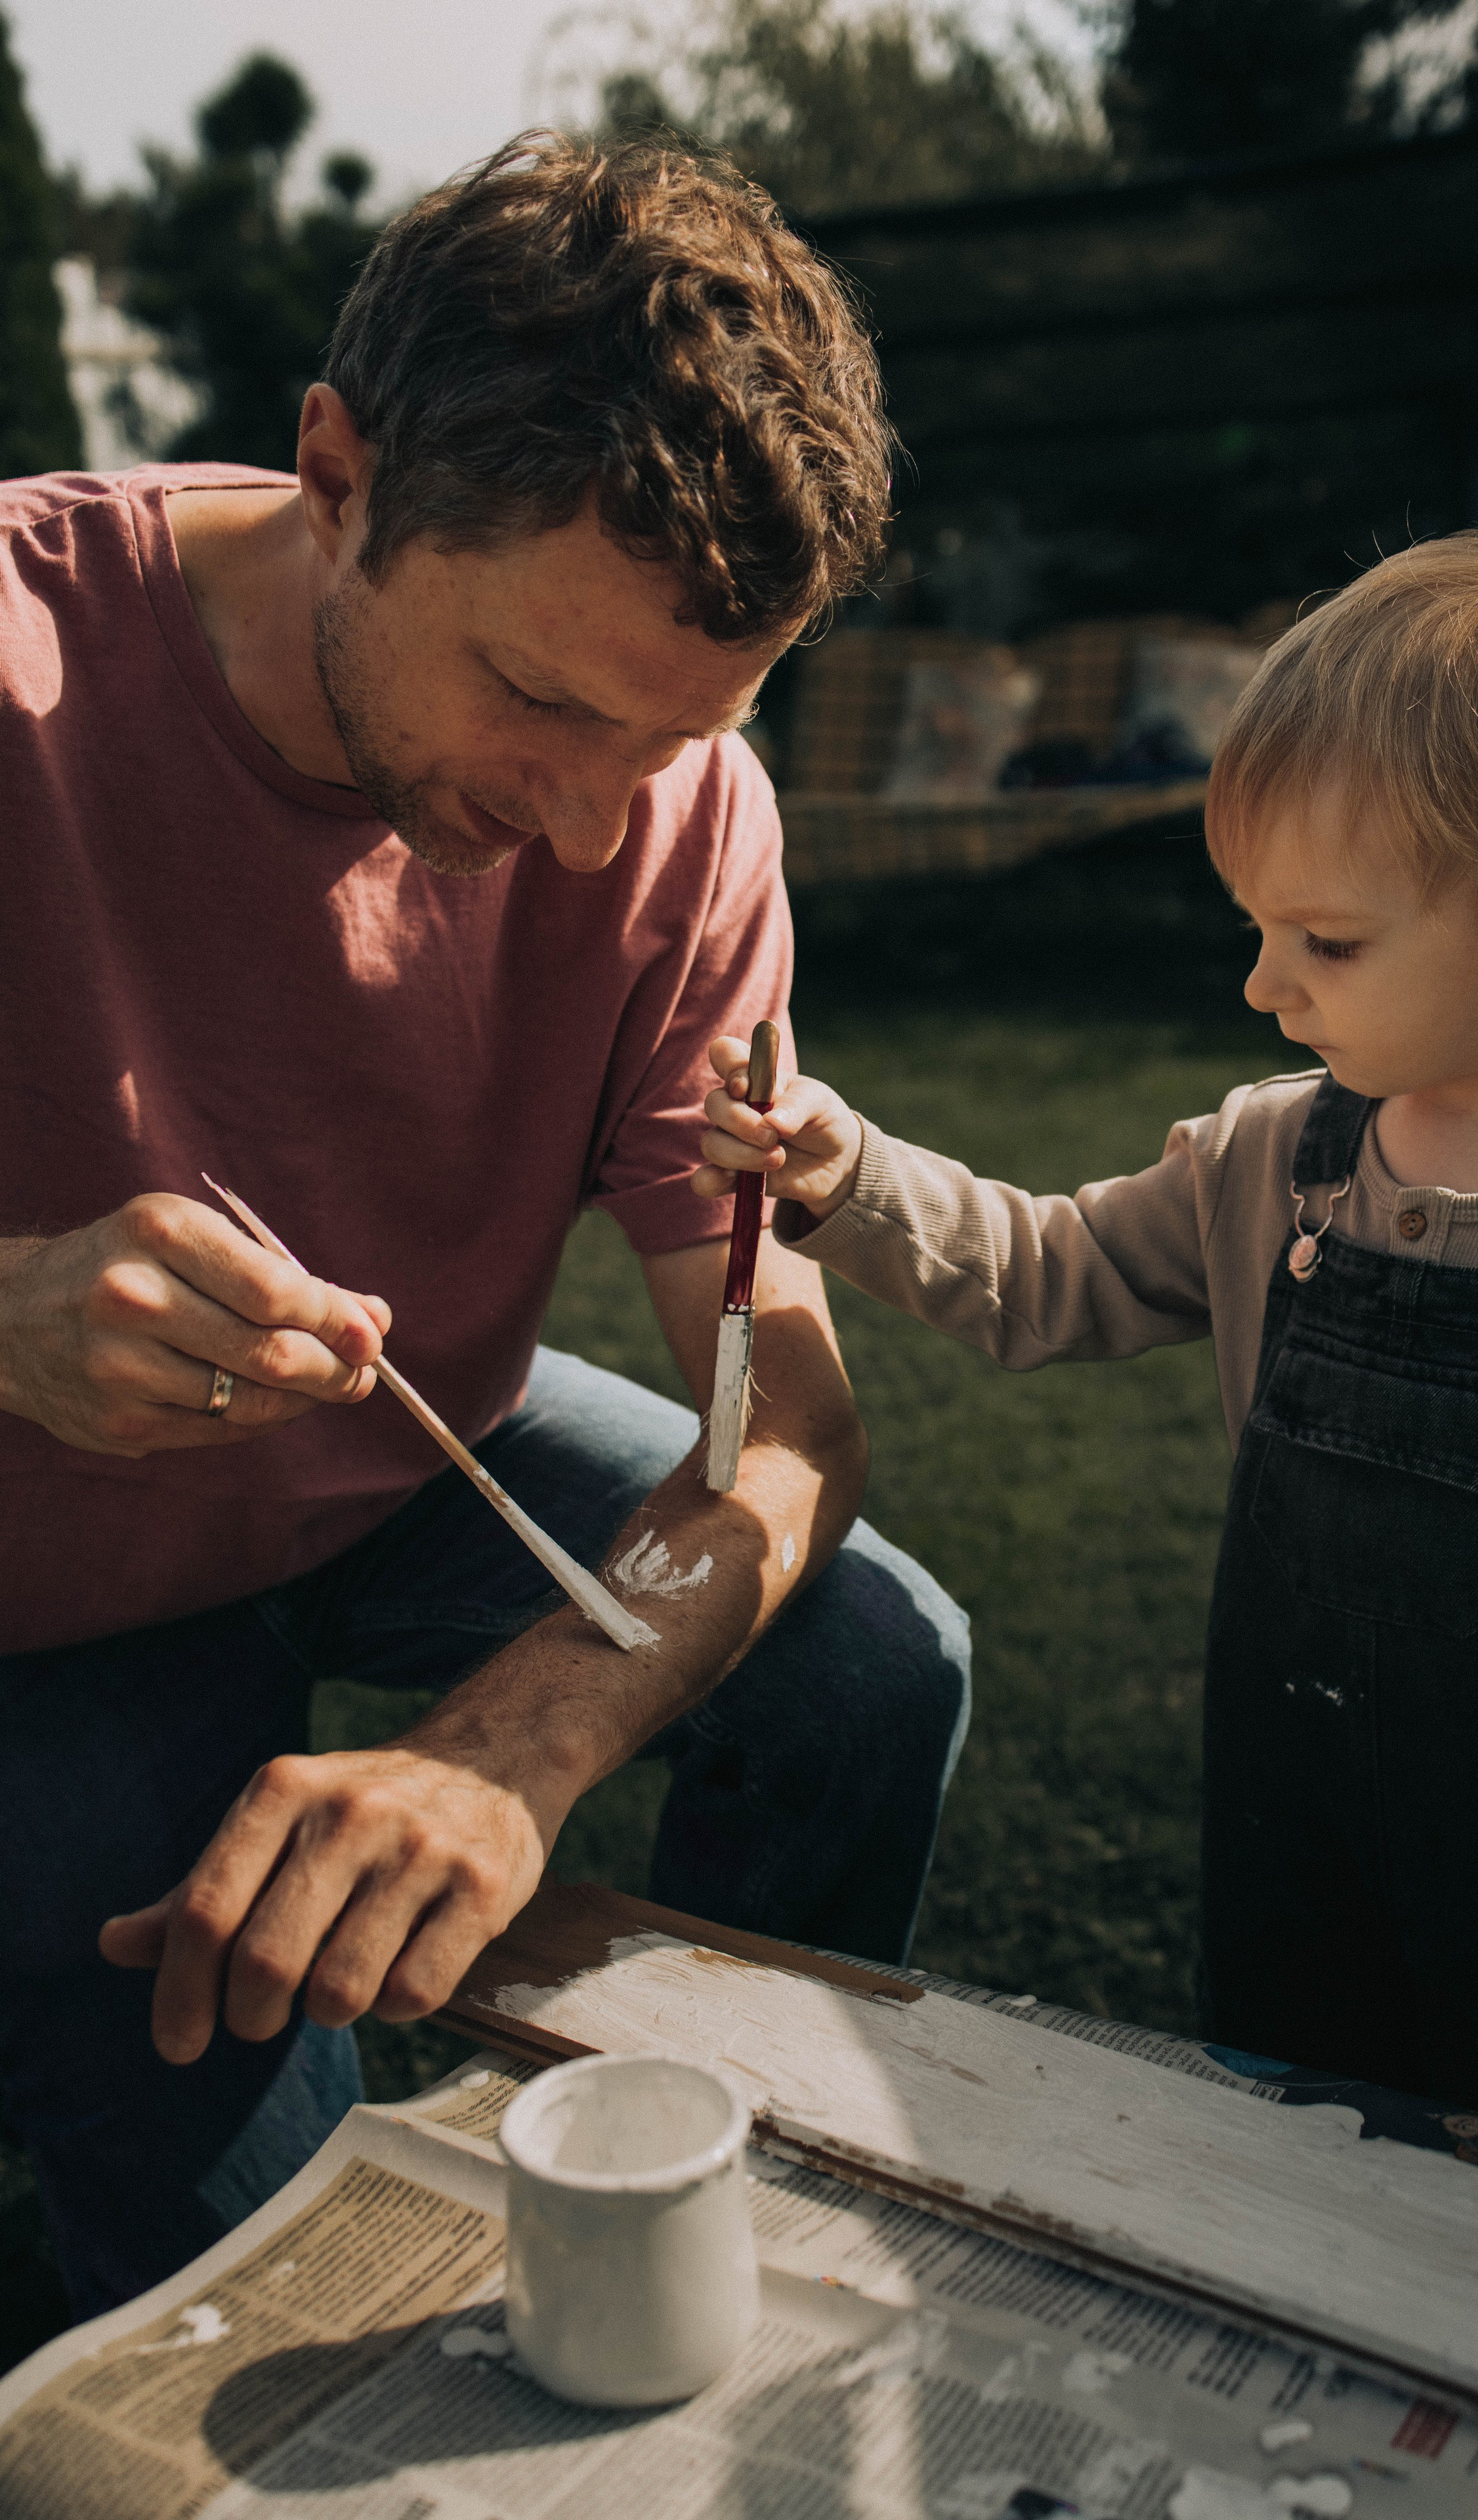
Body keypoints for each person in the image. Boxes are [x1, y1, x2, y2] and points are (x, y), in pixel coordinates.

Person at [0, 135, 969, 2319]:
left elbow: (776, 1405)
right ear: (338, 472)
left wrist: (516, 1749)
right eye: (537, 700)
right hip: (39, 1596)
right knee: (277, 2235)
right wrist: (14, 1318)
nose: (593, 816)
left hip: (408, 1470)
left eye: (691, 725)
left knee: (871, 1664)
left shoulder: (682, 814)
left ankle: (750, 2180)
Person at [697, 529, 1478, 2135]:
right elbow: (1042, 1272)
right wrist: (847, 1173)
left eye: (1324, 942)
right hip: (1300, 1864)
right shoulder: (1266, 1159)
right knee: (1294, 2173)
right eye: (1254, 926)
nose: (1259, 985)